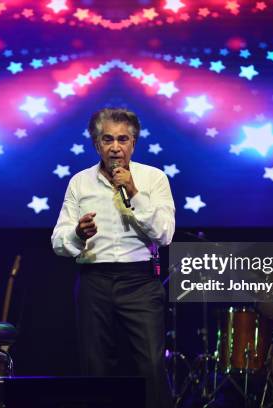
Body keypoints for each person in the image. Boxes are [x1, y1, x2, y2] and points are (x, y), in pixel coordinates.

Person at [51, 108, 175, 408]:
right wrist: (79, 234)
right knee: (95, 366)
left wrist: (134, 192)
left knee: (151, 365)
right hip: (95, 280)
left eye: (123, 139)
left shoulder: (154, 178)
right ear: (97, 144)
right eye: (108, 139)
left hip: (140, 281)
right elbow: (58, 241)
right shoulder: (80, 182)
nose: (115, 147)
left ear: (133, 143)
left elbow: (165, 234)